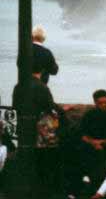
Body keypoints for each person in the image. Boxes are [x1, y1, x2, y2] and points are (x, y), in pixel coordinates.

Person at [12, 60, 64, 195]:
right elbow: (50, 106)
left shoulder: (19, 86)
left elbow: (14, 106)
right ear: (41, 71)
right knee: (44, 159)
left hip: (24, 128)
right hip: (40, 132)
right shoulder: (42, 87)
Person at [68, 89, 106, 197]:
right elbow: (82, 134)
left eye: (105, 102)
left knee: (101, 168)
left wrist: (102, 142)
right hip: (89, 148)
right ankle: (76, 192)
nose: (103, 105)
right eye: (100, 103)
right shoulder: (89, 115)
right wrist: (93, 143)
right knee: (75, 162)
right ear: (95, 103)